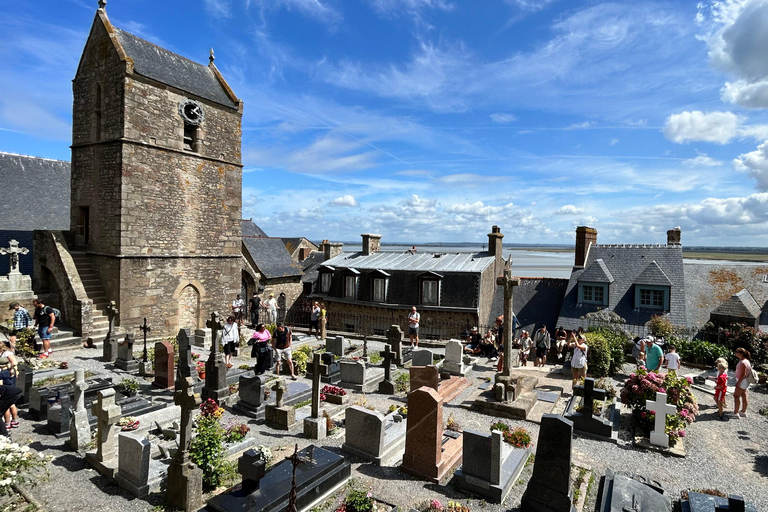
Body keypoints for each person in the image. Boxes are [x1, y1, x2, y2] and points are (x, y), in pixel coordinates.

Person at [0, 341, 20, 431]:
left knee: (6, 407)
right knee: (12, 404)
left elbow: (0, 385)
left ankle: (7, 423)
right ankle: (15, 421)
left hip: (5, 389)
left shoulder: (1, 374)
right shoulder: (9, 371)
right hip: (11, 386)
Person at [733, 347, 752, 418]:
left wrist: (738, 383)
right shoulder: (746, 361)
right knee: (744, 395)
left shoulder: (743, 362)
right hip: (745, 381)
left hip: (742, 381)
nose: (735, 353)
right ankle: (743, 411)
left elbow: (743, 374)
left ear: (740, 353)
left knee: (736, 395)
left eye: (736, 351)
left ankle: (735, 413)